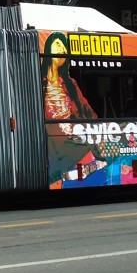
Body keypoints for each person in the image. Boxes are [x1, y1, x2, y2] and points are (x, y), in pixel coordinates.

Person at [41, 32, 98, 185]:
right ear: (48, 48)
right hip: (54, 147)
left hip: (76, 142)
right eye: (58, 44)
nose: (63, 49)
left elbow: (90, 113)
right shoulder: (37, 83)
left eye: (65, 47)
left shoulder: (70, 83)